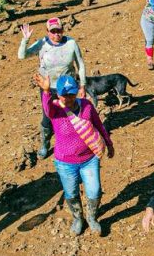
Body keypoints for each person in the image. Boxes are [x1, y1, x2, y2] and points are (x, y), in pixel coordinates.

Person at [34, 73, 114, 235]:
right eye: (64, 95)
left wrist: (109, 143)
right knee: (71, 193)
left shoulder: (86, 106)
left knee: (94, 190)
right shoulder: (56, 110)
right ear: (59, 95)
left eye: (71, 95)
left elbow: (98, 124)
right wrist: (46, 91)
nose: (68, 99)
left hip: (89, 159)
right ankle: (78, 218)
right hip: (65, 163)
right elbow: (47, 108)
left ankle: (92, 217)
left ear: (76, 92)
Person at [19, 17, 87, 158]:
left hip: (67, 87)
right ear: (48, 32)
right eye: (53, 31)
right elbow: (22, 56)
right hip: (48, 87)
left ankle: (74, 142)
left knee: (71, 114)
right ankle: (45, 143)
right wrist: (25, 40)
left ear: (63, 30)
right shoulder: (42, 44)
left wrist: (83, 85)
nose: (56, 34)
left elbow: (80, 64)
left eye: (59, 31)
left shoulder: (71, 43)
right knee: (48, 116)